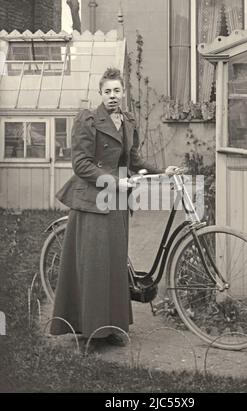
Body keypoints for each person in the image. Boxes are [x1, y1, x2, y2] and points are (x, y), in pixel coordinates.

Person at [50, 67, 178, 346]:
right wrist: (112, 182)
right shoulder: (88, 120)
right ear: (100, 93)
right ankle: (89, 332)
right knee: (94, 266)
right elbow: (81, 164)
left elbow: (133, 161)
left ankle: (112, 328)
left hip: (118, 201)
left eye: (116, 90)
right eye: (107, 91)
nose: (112, 96)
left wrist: (162, 171)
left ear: (123, 93)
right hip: (92, 200)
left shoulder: (128, 121)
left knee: (115, 266)